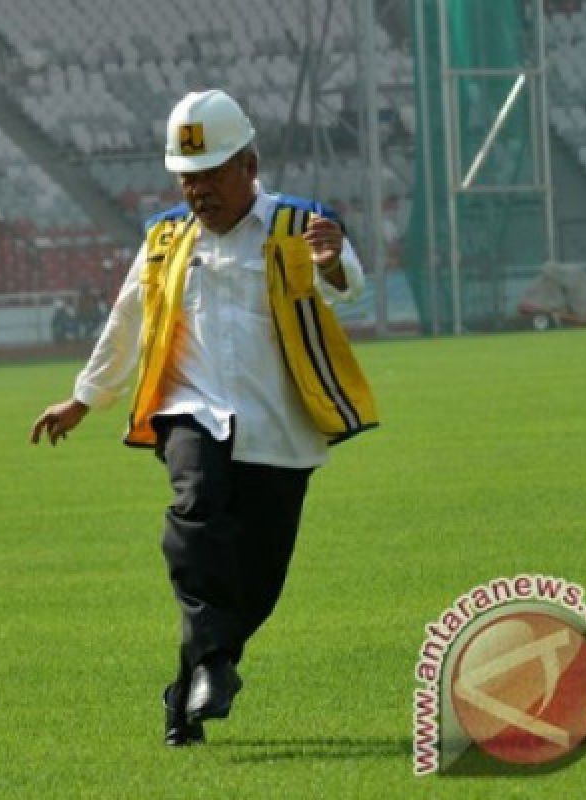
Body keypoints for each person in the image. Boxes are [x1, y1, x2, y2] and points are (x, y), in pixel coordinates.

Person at [29, 89, 378, 746]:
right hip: (191, 410)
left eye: (211, 173)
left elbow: (349, 289)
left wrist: (331, 268)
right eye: (187, 178)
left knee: (255, 585)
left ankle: (186, 689)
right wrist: (83, 397)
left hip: (279, 429)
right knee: (195, 513)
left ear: (249, 164)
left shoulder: (299, 226)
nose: (198, 191)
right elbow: (127, 319)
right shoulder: (165, 238)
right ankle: (216, 665)